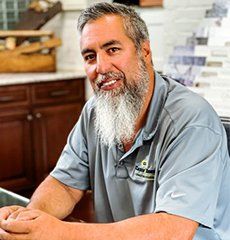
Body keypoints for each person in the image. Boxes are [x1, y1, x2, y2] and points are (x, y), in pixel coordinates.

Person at [0, 2, 229, 240]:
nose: (101, 67)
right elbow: (65, 185)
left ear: (145, 52)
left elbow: (174, 230)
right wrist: (27, 221)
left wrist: (60, 232)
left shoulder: (192, 121)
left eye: (112, 50)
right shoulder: (95, 112)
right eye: (90, 56)